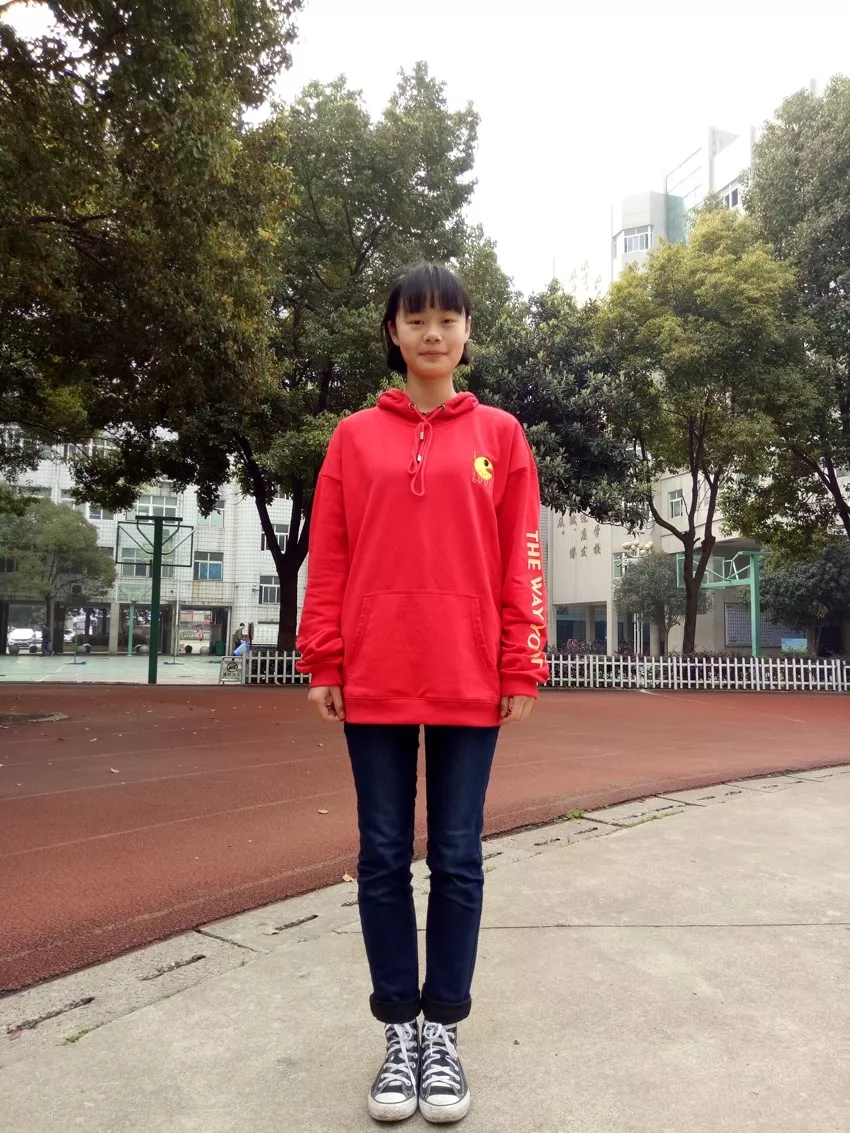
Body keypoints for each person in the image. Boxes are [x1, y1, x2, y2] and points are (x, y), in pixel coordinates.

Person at [296, 263, 548, 1124]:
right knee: (380, 855)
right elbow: (329, 554)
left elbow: (522, 554)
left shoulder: (502, 436)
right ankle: (398, 1031)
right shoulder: (352, 438)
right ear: (393, 333)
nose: (433, 333)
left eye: (448, 318)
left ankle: (443, 1029)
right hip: (374, 672)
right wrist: (323, 658)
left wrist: (522, 659)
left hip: (469, 672)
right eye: (416, 319)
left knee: (457, 855)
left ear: (468, 332)